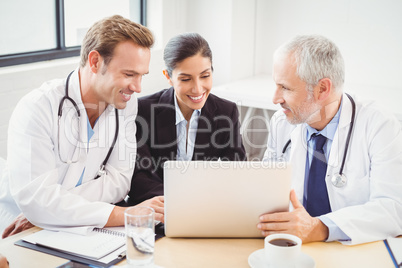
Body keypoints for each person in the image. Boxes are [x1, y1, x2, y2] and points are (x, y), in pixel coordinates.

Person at [2, 15, 164, 238]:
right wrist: (126, 213)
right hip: (18, 227)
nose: (137, 87)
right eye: (129, 74)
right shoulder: (37, 108)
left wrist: (55, 206)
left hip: (73, 227)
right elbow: (37, 200)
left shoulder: (125, 104)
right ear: (95, 62)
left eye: (141, 76)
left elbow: (120, 180)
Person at [258, 35, 402, 245]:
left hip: (354, 252)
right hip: (291, 247)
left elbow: (393, 208)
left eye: (285, 88)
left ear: (323, 89)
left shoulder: (380, 126)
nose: (275, 98)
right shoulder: (281, 122)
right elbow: (265, 189)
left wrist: (320, 228)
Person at [128, 33, 247, 204]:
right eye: (185, 79)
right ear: (168, 77)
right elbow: (139, 178)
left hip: (206, 206)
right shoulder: (143, 111)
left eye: (205, 76)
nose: (198, 89)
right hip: (159, 207)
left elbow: (238, 171)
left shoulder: (226, 112)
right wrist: (179, 202)